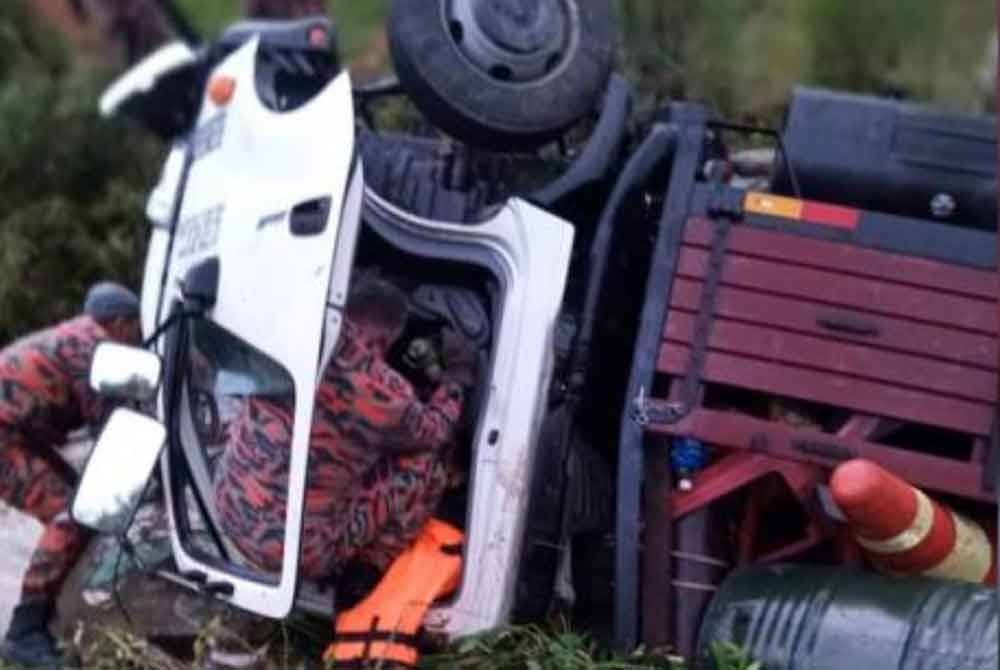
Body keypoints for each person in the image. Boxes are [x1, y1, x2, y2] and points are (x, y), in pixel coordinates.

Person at [214, 274, 477, 582]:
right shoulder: (383, 392)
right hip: (295, 554)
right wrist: (457, 377)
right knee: (424, 463)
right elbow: (437, 430)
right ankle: (369, 568)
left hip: (230, 512)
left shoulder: (291, 339)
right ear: (388, 338)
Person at [0, 282, 141, 666]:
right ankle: (23, 631)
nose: (139, 338)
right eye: (136, 328)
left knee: (78, 497)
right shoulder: (95, 346)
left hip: (15, 433)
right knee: (71, 515)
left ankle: (47, 613)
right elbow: (112, 427)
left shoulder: (78, 334)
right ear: (121, 323)